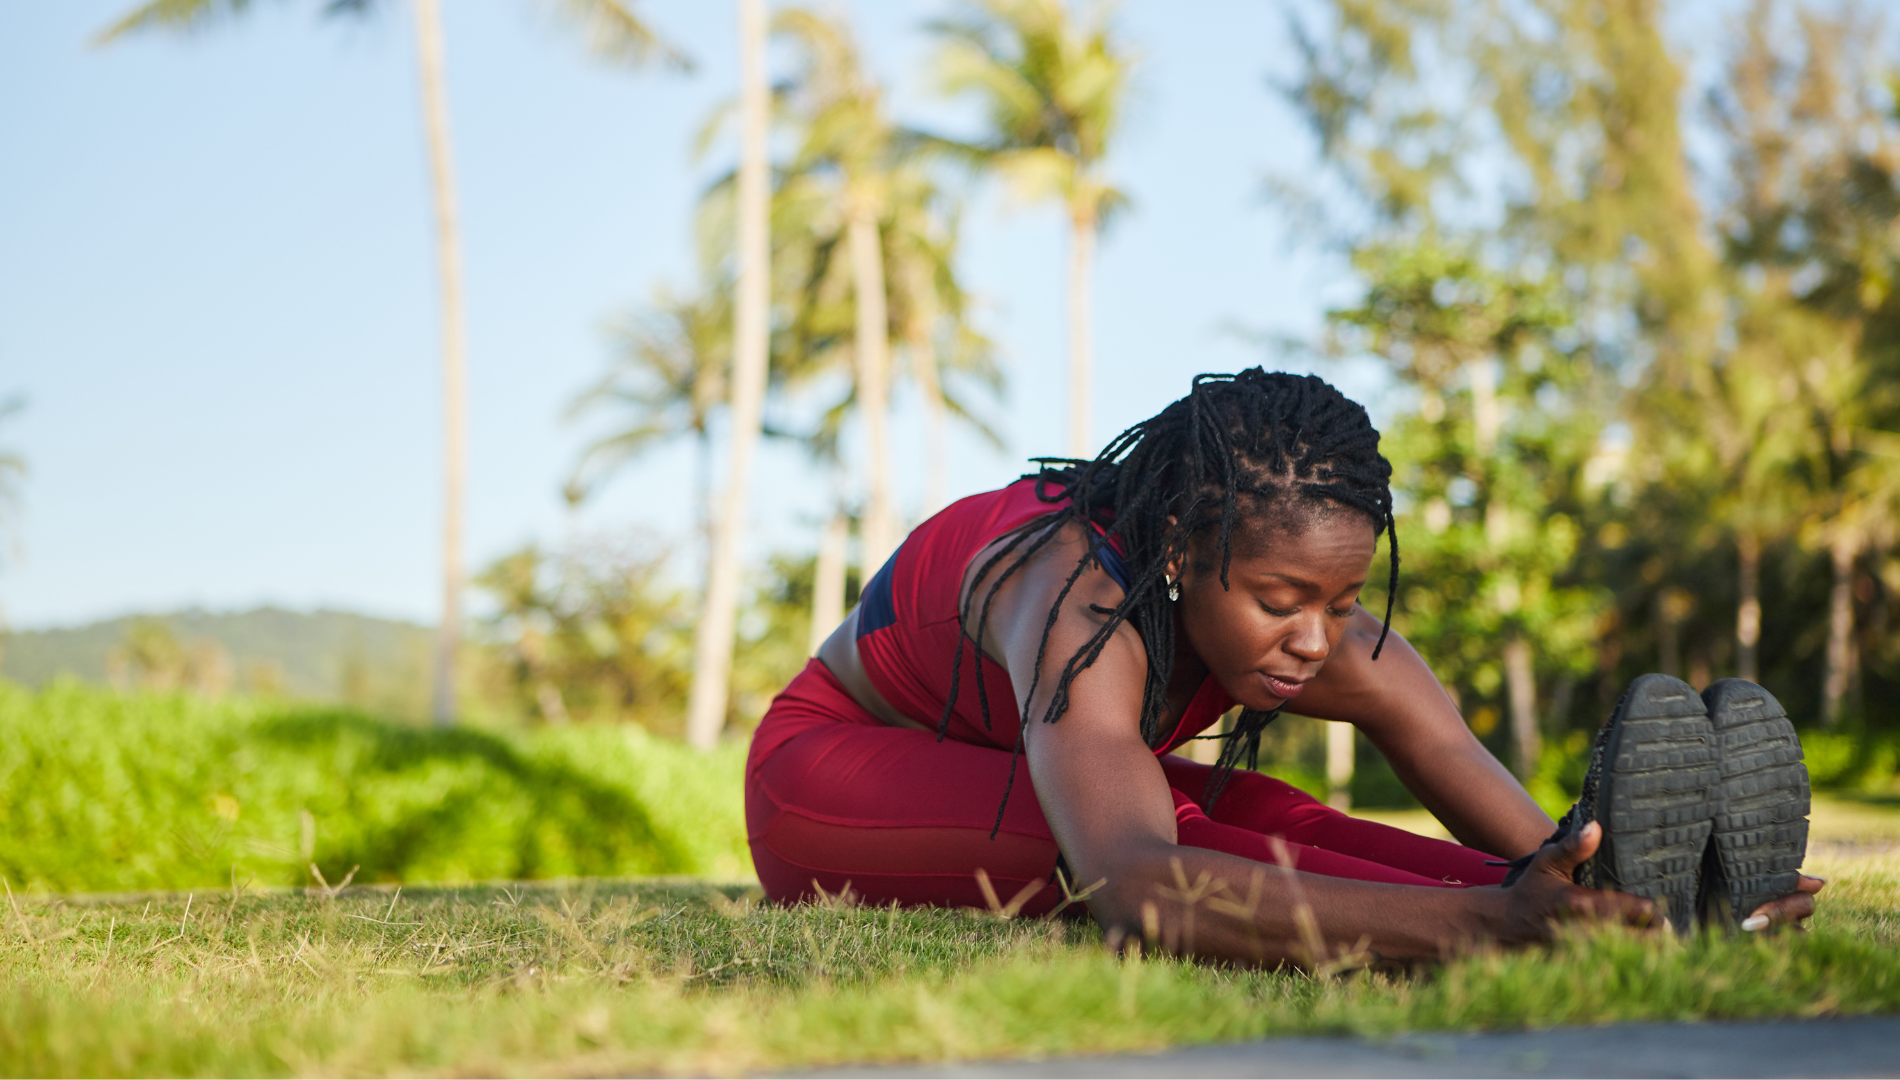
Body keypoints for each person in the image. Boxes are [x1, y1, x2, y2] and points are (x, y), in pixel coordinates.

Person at [744, 370, 1821, 966]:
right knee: (1181, 844)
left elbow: (1450, 754)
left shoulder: (1316, 629)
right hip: (829, 771)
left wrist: (1586, 875)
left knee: (1290, 820)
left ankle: (1649, 919)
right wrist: (1485, 927)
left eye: (1343, 601)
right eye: (1279, 603)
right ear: (1179, 550)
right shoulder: (1076, 595)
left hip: (1013, 759)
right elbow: (1137, 887)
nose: (1316, 638)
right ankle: (1540, 934)